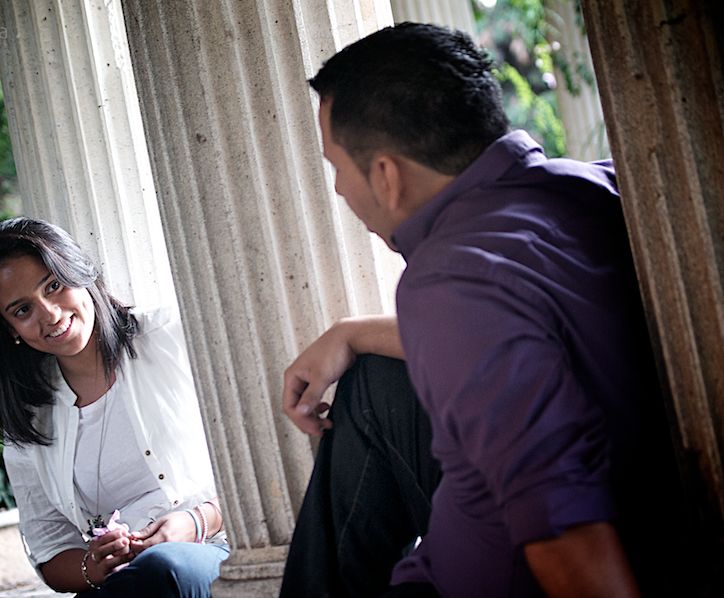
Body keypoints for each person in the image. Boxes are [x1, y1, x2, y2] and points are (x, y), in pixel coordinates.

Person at [280, 22, 685, 597]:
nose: (341, 189)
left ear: (387, 175)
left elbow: (567, 531)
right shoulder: (599, 186)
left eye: (337, 168)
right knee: (374, 381)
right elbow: (525, 323)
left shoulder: (448, 280)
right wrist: (352, 333)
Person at [0, 217, 228, 596]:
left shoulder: (173, 338)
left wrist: (195, 522)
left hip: (213, 547)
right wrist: (94, 564)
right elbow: (51, 550)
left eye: (53, 286)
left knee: (163, 568)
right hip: (123, 583)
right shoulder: (28, 422)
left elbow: (266, 463)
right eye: (22, 310)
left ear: (77, 271)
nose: (49, 314)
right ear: (9, 330)